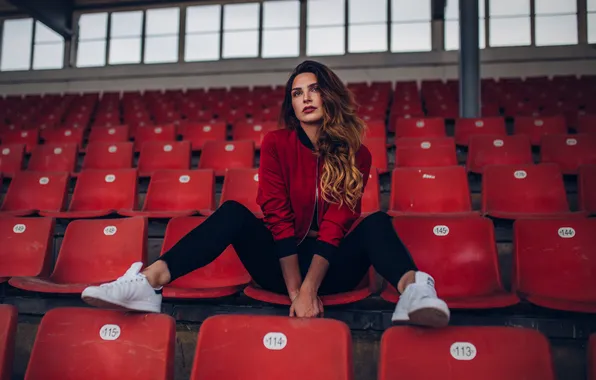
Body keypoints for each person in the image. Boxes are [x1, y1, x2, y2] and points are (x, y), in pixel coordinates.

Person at [81, 60, 450, 327]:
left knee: (377, 223)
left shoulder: (358, 154)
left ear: (329, 96)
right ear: (291, 103)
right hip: (279, 265)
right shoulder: (276, 143)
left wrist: (311, 289)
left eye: (314, 89)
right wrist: (296, 293)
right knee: (233, 213)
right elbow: (277, 217)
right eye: (297, 93)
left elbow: (338, 225)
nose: (305, 98)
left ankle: (414, 290)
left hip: (334, 269)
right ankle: (149, 282)